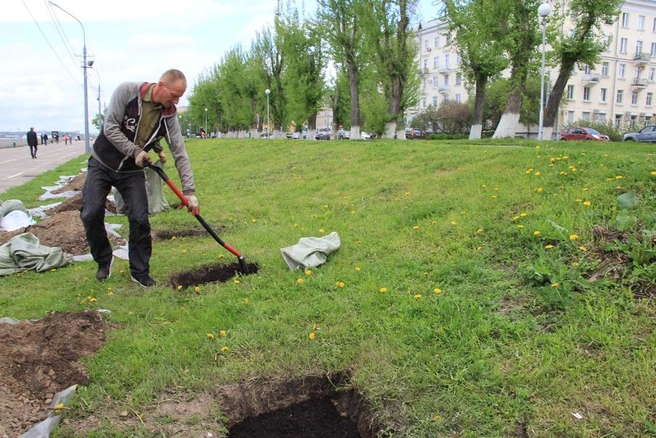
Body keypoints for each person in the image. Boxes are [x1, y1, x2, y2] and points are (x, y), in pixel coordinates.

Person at [80, 69, 199, 288]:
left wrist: (189, 191)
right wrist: (135, 151)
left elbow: (179, 152)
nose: (176, 101)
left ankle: (139, 271)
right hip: (102, 163)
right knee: (90, 212)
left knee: (140, 219)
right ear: (160, 85)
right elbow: (110, 128)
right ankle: (104, 260)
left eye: (179, 97)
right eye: (174, 95)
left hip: (131, 171)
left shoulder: (169, 114)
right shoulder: (127, 92)